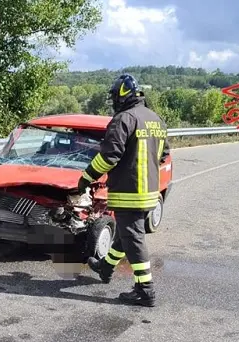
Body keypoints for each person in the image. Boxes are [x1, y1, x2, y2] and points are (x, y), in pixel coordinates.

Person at [76, 74, 170, 307]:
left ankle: (145, 290)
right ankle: (106, 267)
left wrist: (87, 177)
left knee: (133, 238)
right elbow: (164, 154)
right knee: (126, 234)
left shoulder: (124, 119)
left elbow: (109, 156)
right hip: (150, 191)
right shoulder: (155, 119)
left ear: (121, 95)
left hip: (129, 192)